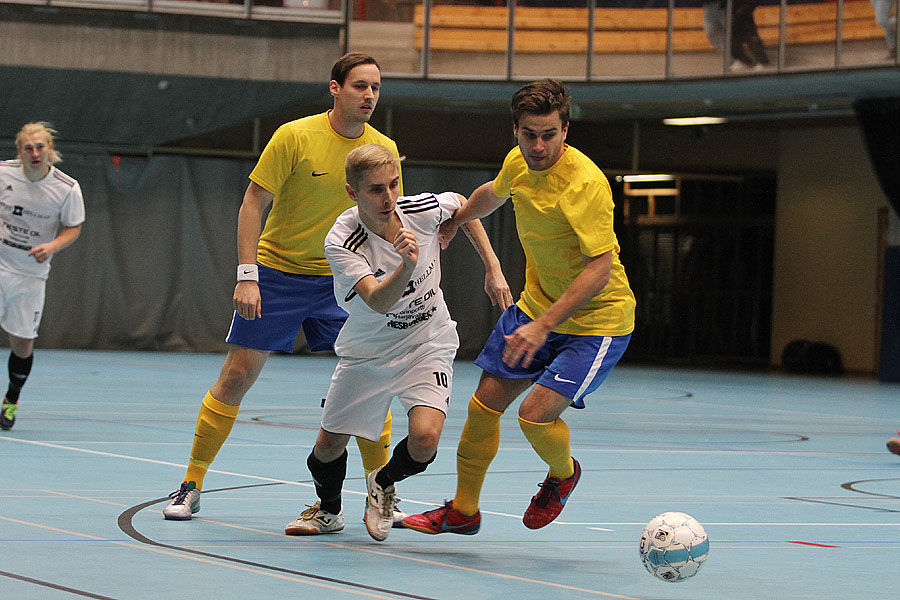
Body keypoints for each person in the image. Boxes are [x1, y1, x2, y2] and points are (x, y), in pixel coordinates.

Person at [162, 53, 427, 522]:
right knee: (236, 376)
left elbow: (388, 216)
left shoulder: (382, 148)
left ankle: (378, 491)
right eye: (360, 86)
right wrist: (248, 275)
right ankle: (191, 484)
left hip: (345, 280)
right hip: (280, 273)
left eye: (376, 88)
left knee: (370, 382)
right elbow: (252, 202)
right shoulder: (294, 136)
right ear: (334, 88)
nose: (369, 96)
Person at [402, 79, 636, 536]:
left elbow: (598, 270)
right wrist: (458, 219)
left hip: (595, 323)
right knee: (483, 407)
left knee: (534, 417)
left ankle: (564, 475)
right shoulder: (519, 163)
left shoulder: (586, 185)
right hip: (537, 307)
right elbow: (494, 191)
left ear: (565, 130)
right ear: (516, 131)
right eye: (530, 134)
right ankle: (463, 512)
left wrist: (543, 326)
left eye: (549, 134)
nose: (539, 145)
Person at [282, 144, 511, 541]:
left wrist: (492, 266)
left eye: (393, 184)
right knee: (327, 447)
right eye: (375, 190)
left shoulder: (418, 210)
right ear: (353, 193)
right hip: (369, 349)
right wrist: (406, 264)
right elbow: (377, 300)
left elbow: (462, 203)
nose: (389, 198)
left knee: (424, 441)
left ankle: (382, 483)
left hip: (428, 340)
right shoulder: (342, 240)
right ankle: (329, 511)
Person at [0, 122, 85, 431]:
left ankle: (11, 399)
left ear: (50, 149)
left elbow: (73, 227)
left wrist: (51, 246)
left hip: (29, 274)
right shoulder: (4, 173)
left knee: (22, 344)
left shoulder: (66, 188)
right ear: (19, 151)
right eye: (28, 148)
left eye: (40, 147)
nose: (34, 153)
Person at [703, 0, 770, 71]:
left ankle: (762, 61)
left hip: (736, 6)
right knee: (729, 34)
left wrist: (746, 7)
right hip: (718, 5)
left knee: (747, 32)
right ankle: (741, 59)